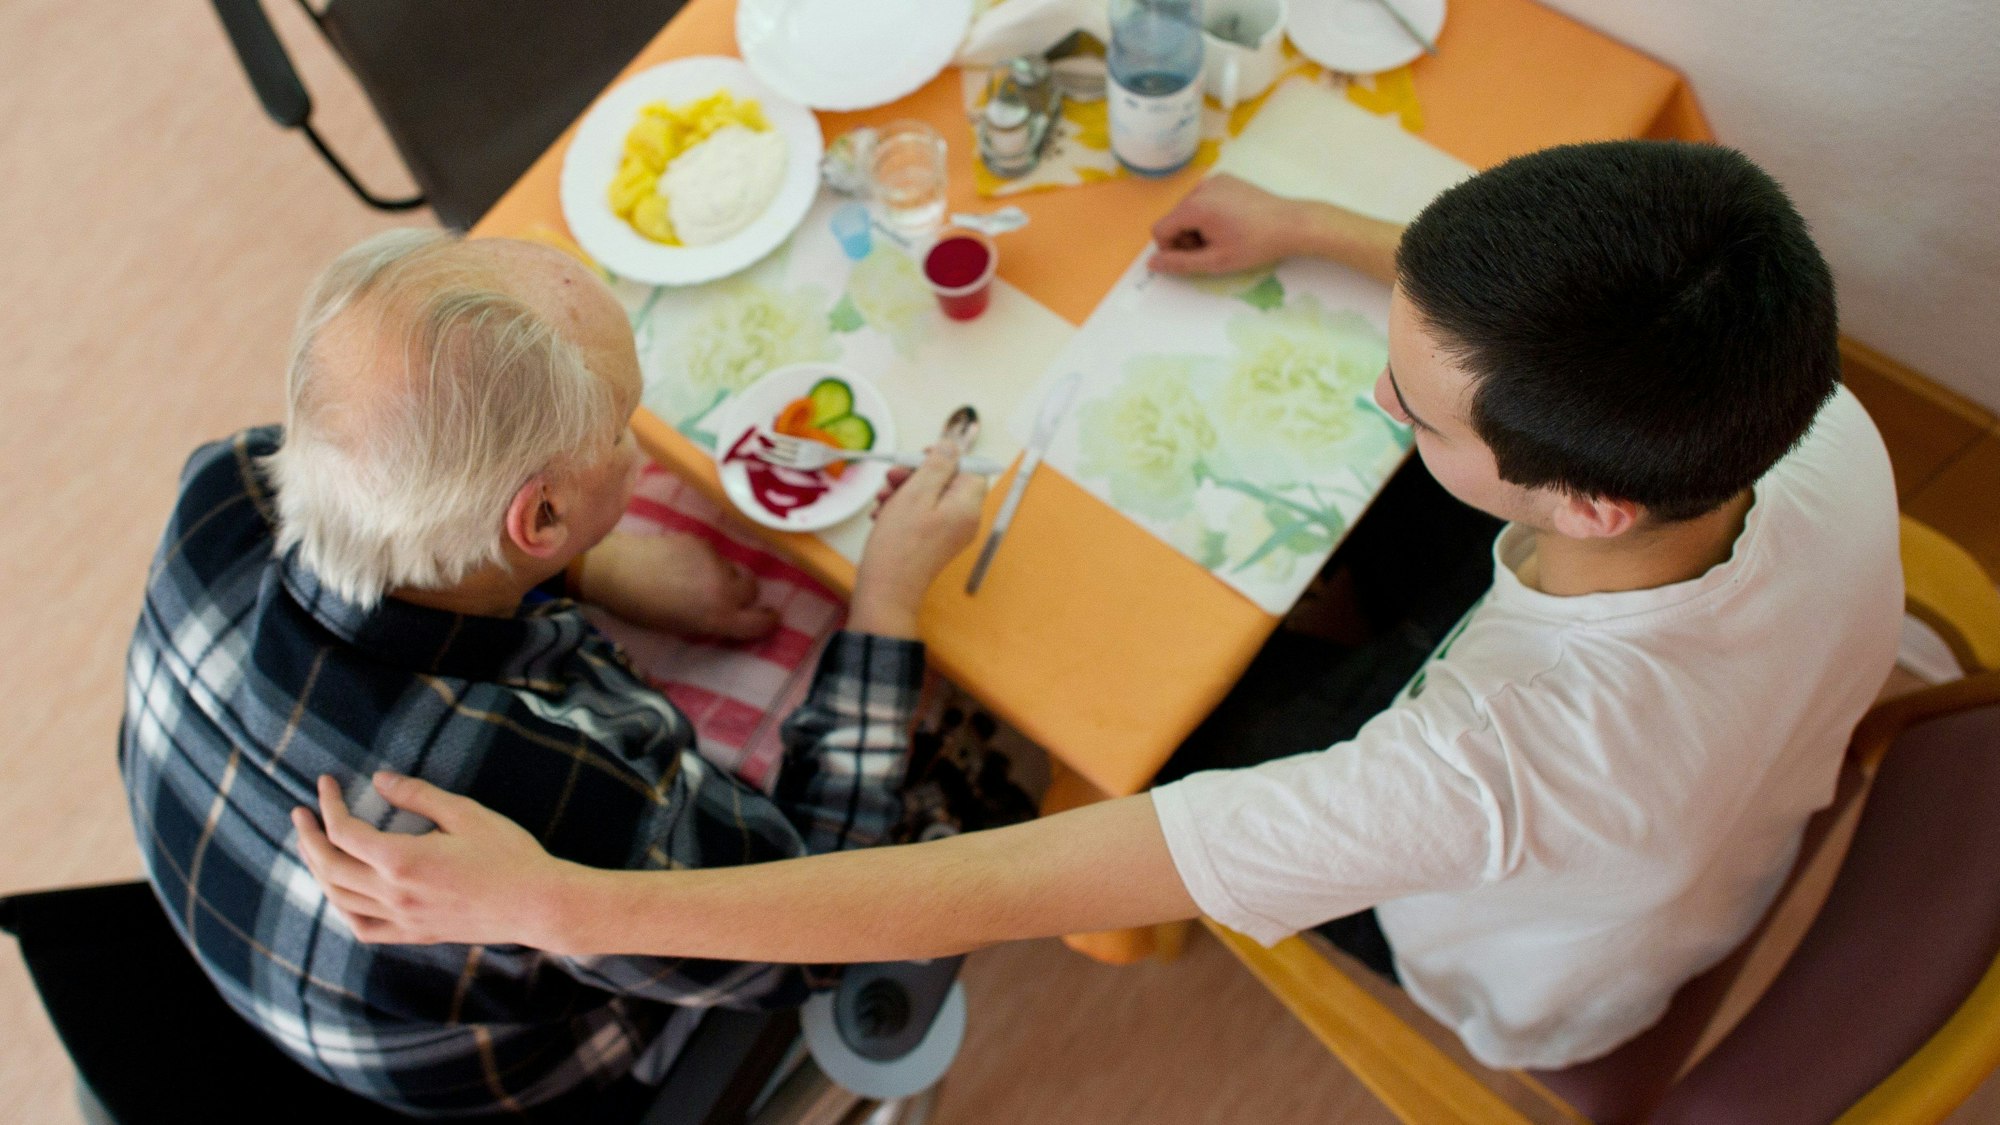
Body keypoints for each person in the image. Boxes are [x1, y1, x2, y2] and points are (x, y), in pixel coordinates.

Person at [294, 141, 1904, 1073]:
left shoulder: (1468, 776)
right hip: (1745, 748)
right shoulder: (1805, 409)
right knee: (1350, 562)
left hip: (1534, 972)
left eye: (1416, 407)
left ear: (1586, 498)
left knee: (1165, 714)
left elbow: (978, 886)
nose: (1385, 401)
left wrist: (562, 905)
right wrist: (1315, 230)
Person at [120, 229, 986, 1119]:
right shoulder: (534, 787)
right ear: (539, 515)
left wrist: (596, 568)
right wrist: (884, 599)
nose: (638, 449)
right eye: (620, 428)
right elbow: (820, 916)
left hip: (251, 936)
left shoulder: (222, 485)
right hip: (513, 1080)